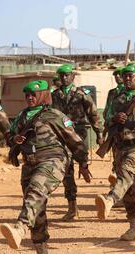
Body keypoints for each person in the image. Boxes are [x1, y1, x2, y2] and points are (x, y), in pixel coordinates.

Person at [0, 80, 91, 254]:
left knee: (36, 191)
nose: (30, 98)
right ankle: (42, 252)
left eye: (34, 94)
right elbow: (10, 138)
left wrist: (83, 163)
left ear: (43, 95)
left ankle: (19, 228)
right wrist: (13, 138)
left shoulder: (55, 115)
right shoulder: (22, 115)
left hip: (53, 160)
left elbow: (75, 141)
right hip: (30, 163)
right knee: (36, 207)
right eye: (27, 95)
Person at [95, 62, 135, 240]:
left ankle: (111, 199)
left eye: (131, 76)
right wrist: (114, 118)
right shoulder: (116, 96)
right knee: (131, 182)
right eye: (125, 76)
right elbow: (106, 117)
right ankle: (134, 224)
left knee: (126, 172)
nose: (128, 78)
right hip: (118, 143)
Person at [51, 64, 103, 221]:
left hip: (79, 133)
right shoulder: (54, 95)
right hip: (62, 135)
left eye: (67, 75)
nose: (64, 78)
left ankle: (84, 166)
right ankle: (72, 206)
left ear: (73, 77)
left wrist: (99, 133)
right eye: (62, 76)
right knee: (67, 170)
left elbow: (93, 114)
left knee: (82, 160)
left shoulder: (81, 94)